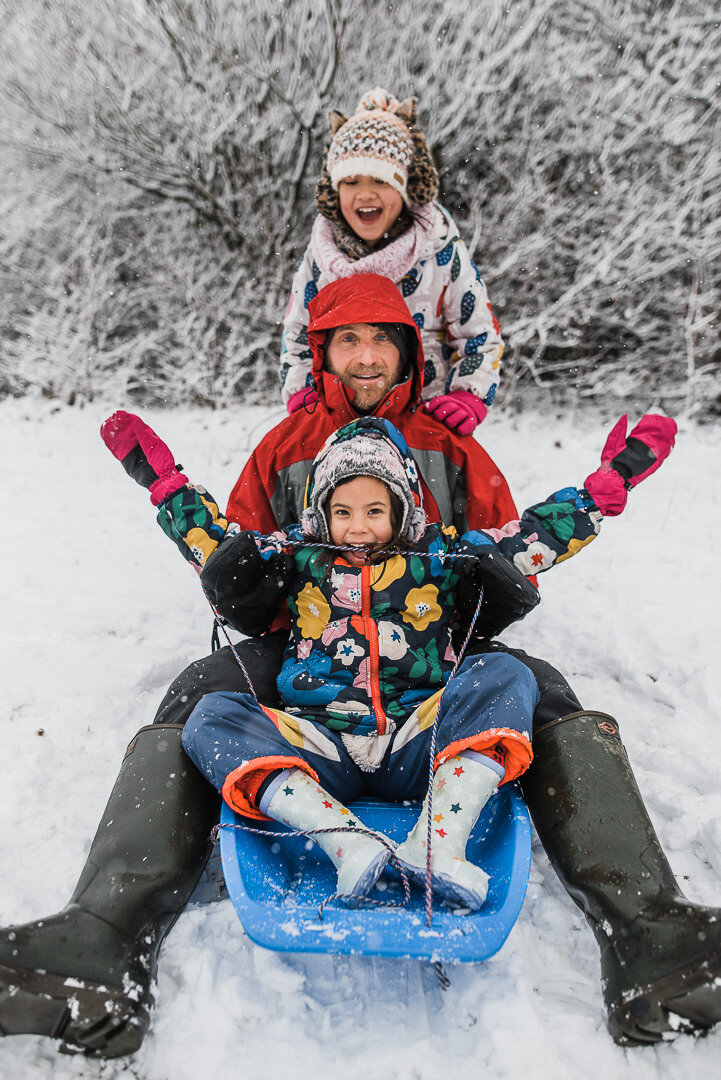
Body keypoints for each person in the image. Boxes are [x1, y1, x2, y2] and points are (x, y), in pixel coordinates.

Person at [0, 274, 717, 1059]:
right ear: (321, 352)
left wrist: (559, 534)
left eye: (383, 338)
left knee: (535, 684)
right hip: (311, 641)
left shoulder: (448, 443)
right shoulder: (285, 445)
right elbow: (226, 539)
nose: (366, 355)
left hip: (429, 648)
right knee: (198, 697)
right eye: (348, 339)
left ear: (410, 351)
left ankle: (650, 931)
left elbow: (518, 536)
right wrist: (224, 563)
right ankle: (102, 935)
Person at [182, 416, 545, 911]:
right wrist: (163, 484)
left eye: (375, 510)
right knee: (210, 716)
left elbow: (534, 538)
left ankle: (438, 844)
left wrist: (610, 486)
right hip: (323, 745)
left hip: (415, 740)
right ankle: (347, 841)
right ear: (321, 513)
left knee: (506, 676)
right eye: (342, 511)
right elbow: (211, 538)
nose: (358, 527)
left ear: (401, 511)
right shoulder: (298, 554)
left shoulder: (439, 556)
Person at [280, 86, 503, 436]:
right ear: (335, 191)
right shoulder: (320, 259)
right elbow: (297, 336)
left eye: (381, 180)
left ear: (406, 188)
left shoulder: (440, 251)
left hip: (427, 428)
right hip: (337, 430)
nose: (365, 194)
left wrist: (467, 396)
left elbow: (478, 333)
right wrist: (302, 394)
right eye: (351, 181)